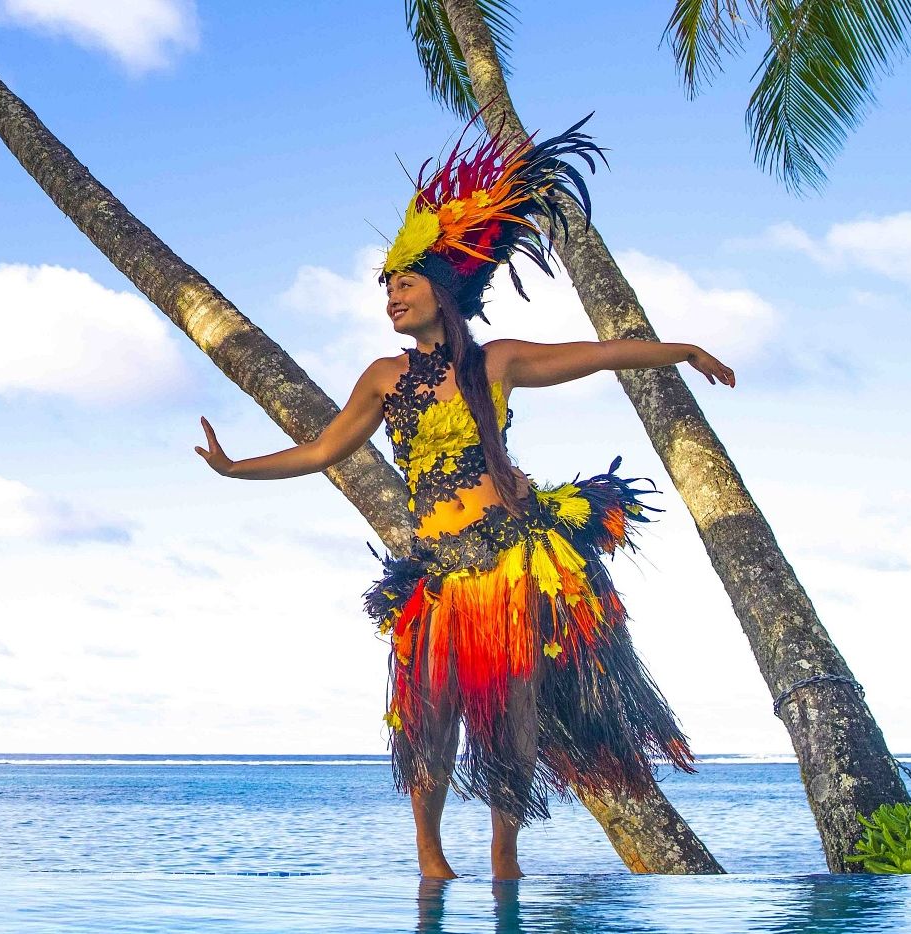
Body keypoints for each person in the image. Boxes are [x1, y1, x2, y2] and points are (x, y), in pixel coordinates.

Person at [192, 119, 735, 880]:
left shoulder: (498, 361)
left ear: (442, 290)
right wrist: (235, 468)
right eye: (386, 288)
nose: (392, 298)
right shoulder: (385, 377)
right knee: (428, 720)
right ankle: (430, 858)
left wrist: (680, 348)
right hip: (437, 574)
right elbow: (322, 449)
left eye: (404, 283)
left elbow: (601, 352)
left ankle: (504, 858)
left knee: (512, 722)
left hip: (509, 564)